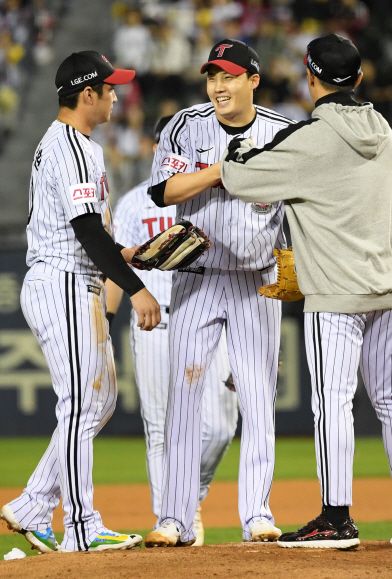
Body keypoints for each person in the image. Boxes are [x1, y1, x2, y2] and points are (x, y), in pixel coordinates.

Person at [221, 34, 392, 550]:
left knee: (333, 402)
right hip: (388, 285)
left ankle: (336, 518)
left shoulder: (311, 138)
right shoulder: (384, 129)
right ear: (358, 78)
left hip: (336, 293)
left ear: (311, 80)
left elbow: (242, 179)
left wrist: (241, 149)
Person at [0, 51, 161, 553]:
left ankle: (31, 505)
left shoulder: (75, 144)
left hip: (77, 277)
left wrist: (127, 253)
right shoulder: (71, 146)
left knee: (98, 401)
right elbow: (86, 230)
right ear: (87, 94)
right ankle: (82, 526)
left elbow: (91, 233)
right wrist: (135, 288)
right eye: (110, 87)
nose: (118, 94)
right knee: (79, 404)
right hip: (62, 281)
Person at [143, 39, 294, 548]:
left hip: (256, 282)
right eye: (212, 76)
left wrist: (290, 273)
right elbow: (163, 192)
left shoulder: (282, 132)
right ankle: (175, 519)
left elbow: (299, 209)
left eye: (229, 76)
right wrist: (225, 172)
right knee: (183, 399)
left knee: (257, 399)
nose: (218, 86)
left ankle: (257, 514)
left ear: (253, 79)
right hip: (198, 279)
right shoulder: (186, 125)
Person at [105, 116, 238, 546]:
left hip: (206, 316)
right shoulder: (132, 203)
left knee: (219, 425)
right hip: (154, 321)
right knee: (160, 426)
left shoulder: (214, 197)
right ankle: (171, 519)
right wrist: (103, 329)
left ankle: (188, 498)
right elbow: (113, 268)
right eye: (168, 141)